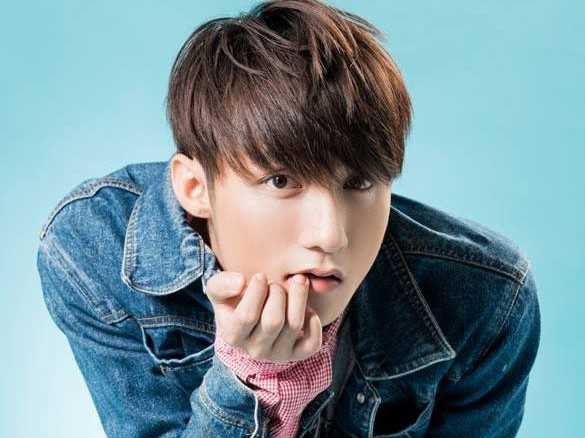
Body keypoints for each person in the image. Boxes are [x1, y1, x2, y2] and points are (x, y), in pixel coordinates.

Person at [35, 0, 541, 436]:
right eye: (281, 181)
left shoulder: (486, 298)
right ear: (195, 188)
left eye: (359, 183)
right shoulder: (94, 248)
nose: (330, 235)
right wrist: (251, 381)